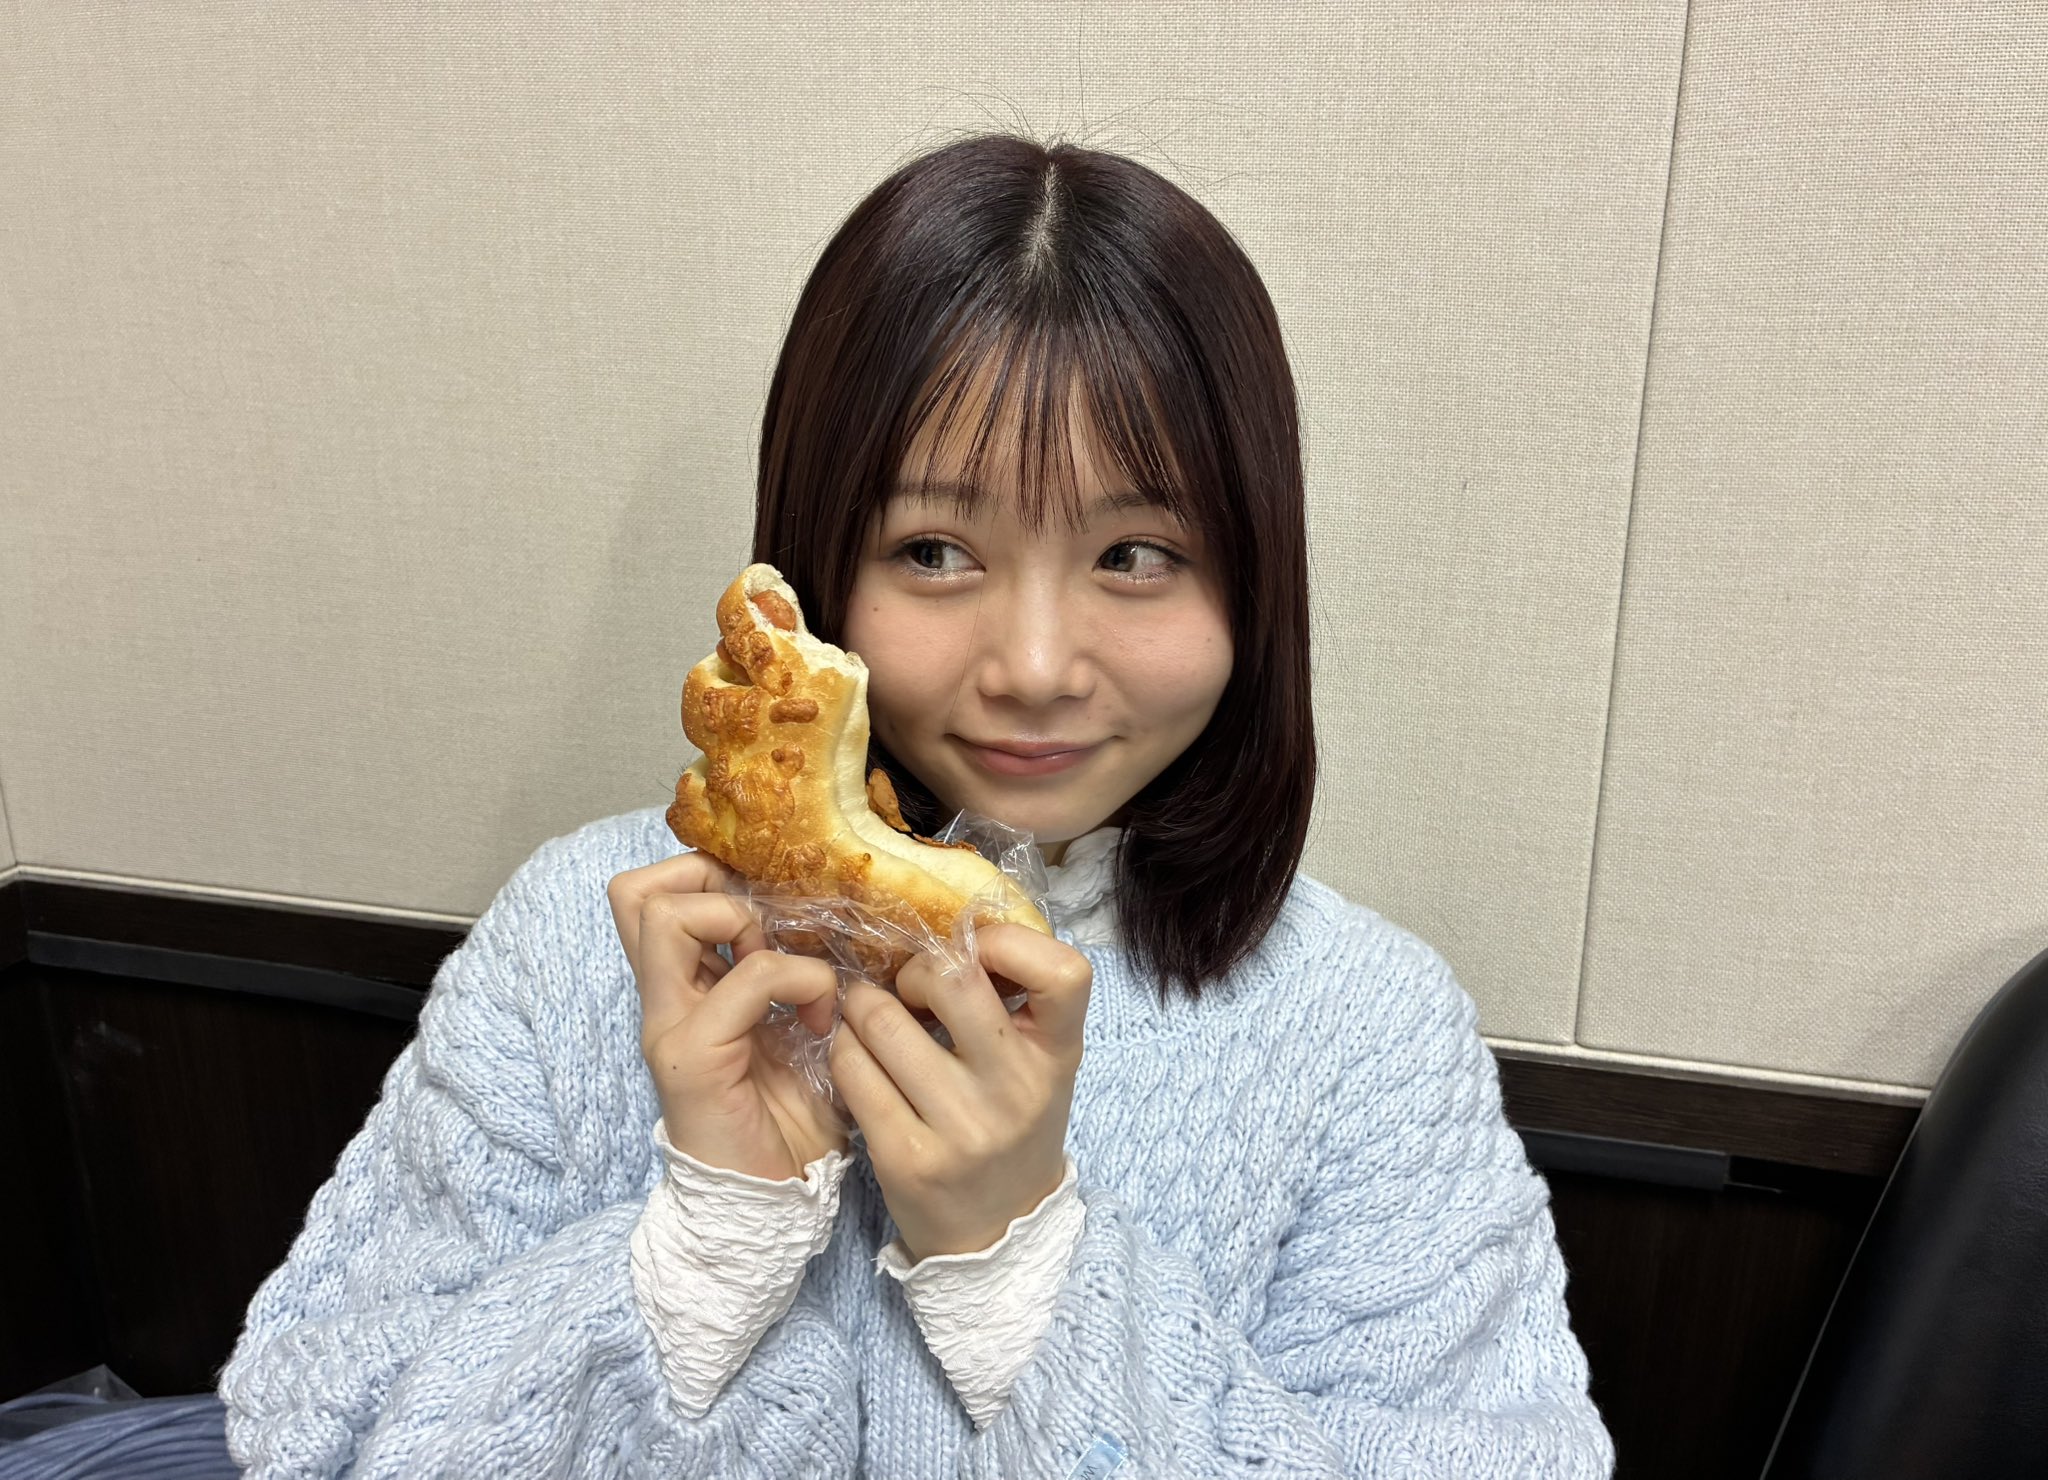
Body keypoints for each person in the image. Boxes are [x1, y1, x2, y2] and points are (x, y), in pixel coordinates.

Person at [217, 132, 1616, 1478]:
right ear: (820, 567)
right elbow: (311, 1436)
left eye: (1136, 553)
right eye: (936, 550)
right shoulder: (587, 938)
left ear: (1253, 583)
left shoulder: (1365, 1036)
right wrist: (702, 1255)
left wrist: (1023, 1272)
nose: (1036, 667)